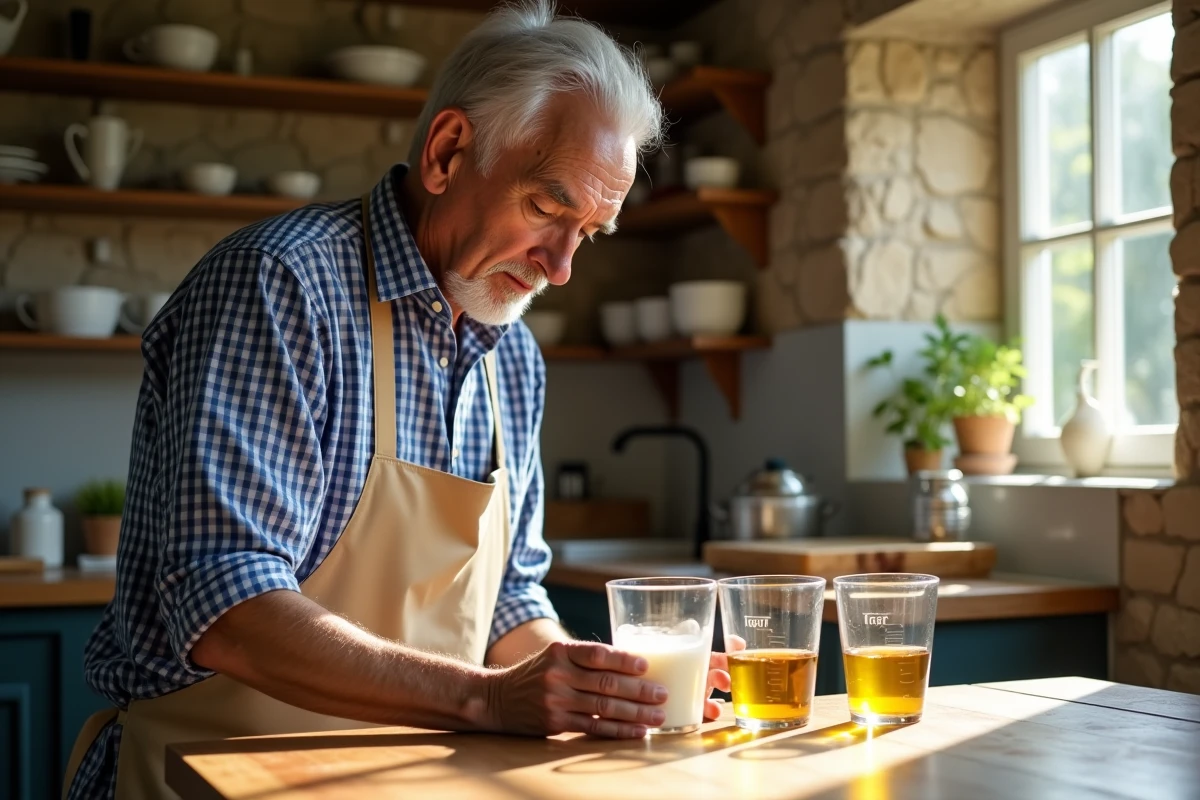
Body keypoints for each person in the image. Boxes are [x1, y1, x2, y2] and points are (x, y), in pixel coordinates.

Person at [62, 2, 733, 797]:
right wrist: (486, 699)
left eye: (589, 232)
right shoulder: (283, 288)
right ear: (449, 153)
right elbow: (228, 606)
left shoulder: (509, 355)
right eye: (548, 207)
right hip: (204, 775)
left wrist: (594, 686)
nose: (560, 268)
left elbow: (510, 600)